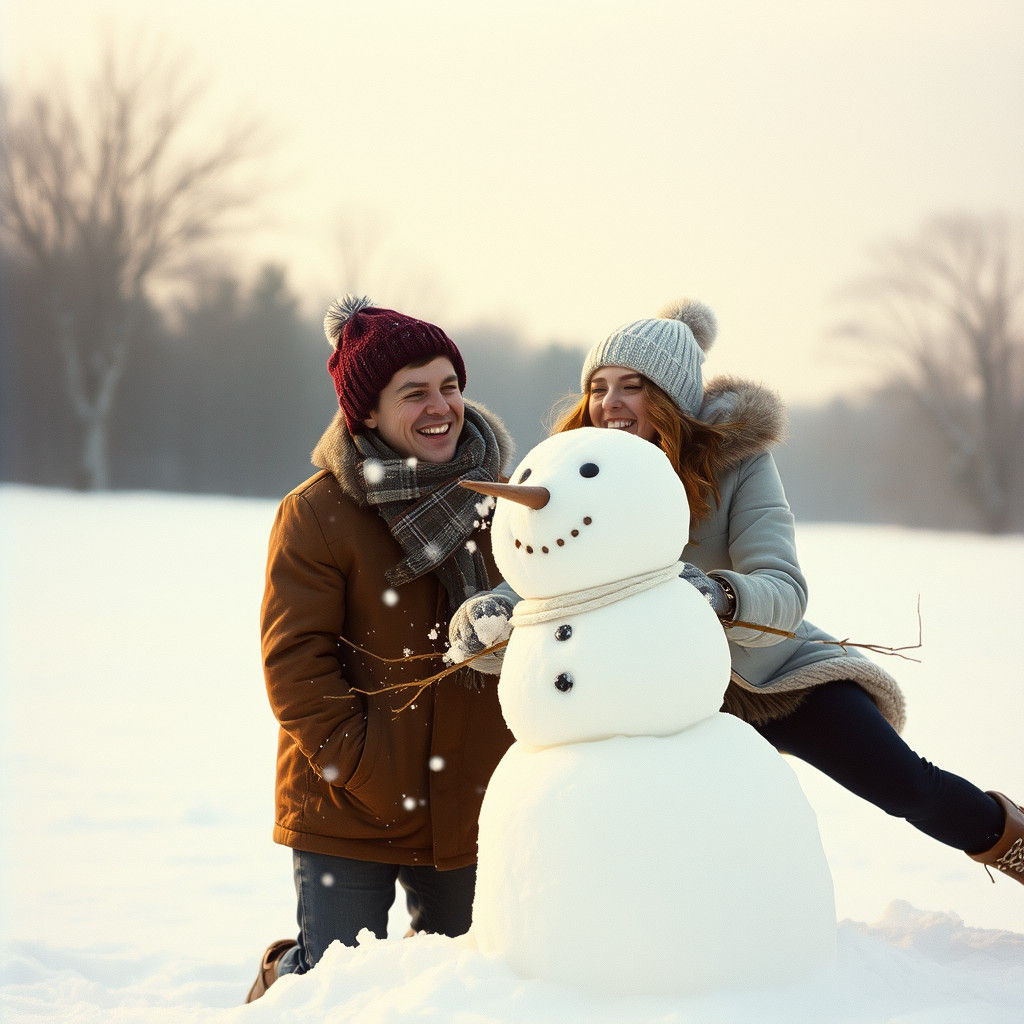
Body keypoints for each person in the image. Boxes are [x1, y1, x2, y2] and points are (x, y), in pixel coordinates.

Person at [450, 299, 1023, 889]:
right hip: (661, 697)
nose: (610, 403)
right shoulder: (570, 478)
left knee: (904, 784)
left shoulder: (738, 466)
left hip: (772, 679)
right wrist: (494, 623)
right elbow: (543, 592)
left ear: (671, 397)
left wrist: (721, 597)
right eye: (598, 386)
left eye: (632, 386)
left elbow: (783, 586)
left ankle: (1013, 844)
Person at [247, 295, 515, 1002]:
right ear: (366, 412)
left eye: (450, 386)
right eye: (415, 392)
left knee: (457, 988)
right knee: (337, 990)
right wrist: (361, 766)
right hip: (349, 801)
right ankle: (283, 979)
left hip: (473, 796)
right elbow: (295, 663)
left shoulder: (506, 505)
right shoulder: (317, 512)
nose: (441, 406)